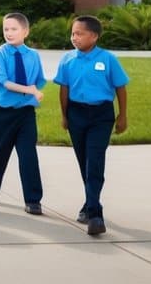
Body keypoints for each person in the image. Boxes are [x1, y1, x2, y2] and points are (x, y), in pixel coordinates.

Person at [55, 15, 130, 237]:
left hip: (101, 115)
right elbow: (64, 89)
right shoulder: (68, 59)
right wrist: (65, 116)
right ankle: (91, 202)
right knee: (83, 163)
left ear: (94, 36)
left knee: (95, 162)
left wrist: (122, 116)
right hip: (76, 113)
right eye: (72, 33)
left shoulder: (108, 59)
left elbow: (121, 88)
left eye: (79, 33)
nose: (74, 37)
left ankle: (95, 214)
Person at [0, 12, 46, 215]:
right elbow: (4, 82)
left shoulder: (33, 55)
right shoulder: (0, 54)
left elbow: (38, 80)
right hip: (4, 112)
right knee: (0, 153)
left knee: (28, 154)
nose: (9, 33)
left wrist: (34, 92)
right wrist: (30, 90)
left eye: (14, 29)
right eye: (6, 29)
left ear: (25, 31)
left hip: (26, 112)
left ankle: (33, 200)